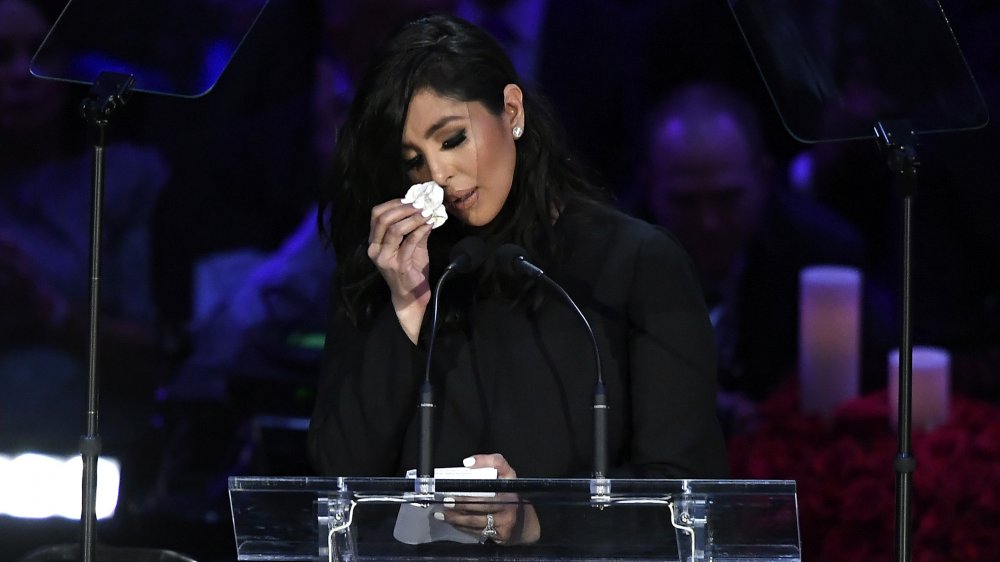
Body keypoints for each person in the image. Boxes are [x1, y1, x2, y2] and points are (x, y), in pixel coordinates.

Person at [307, 13, 728, 547]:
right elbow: (336, 485)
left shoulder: (636, 263)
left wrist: (533, 520)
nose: (438, 175)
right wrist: (407, 311)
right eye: (414, 161)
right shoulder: (392, 267)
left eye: (453, 139)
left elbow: (685, 493)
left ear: (511, 111)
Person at [637, 82, 895, 422]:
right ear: (650, 186)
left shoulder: (824, 254)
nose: (709, 222)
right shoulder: (612, 255)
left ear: (763, 177)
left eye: (728, 198)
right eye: (685, 202)